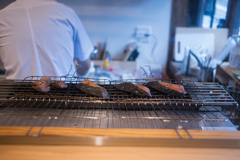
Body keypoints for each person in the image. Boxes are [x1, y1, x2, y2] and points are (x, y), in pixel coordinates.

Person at [0, 0, 93, 79]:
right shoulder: (66, 13)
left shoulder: (2, 17)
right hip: (65, 95)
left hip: (18, 97)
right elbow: (85, 65)